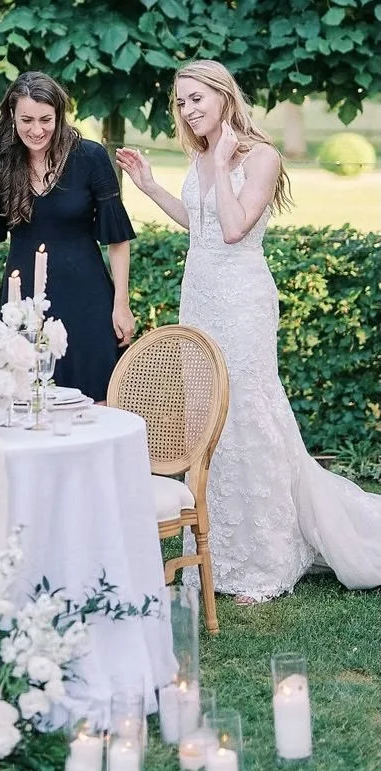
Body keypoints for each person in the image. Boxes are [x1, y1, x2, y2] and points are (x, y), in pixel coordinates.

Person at [116, 59, 381, 603]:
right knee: (205, 415)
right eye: (181, 102)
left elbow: (236, 228)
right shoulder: (201, 155)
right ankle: (218, 547)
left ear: (223, 95)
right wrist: (148, 187)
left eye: (197, 99)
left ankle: (265, 555)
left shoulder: (261, 156)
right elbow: (203, 223)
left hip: (241, 301)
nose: (188, 110)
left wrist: (216, 160)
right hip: (200, 298)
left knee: (245, 414)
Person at [0, 71, 136, 404]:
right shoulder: (0, 161)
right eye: (26, 119)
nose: (36, 130)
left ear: (60, 115)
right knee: (22, 402)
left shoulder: (90, 157)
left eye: (46, 119)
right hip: (21, 300)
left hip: (87, 299)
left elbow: (118, 239)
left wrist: (121, 304)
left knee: (97, 402)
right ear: (12, 115)